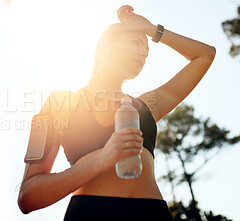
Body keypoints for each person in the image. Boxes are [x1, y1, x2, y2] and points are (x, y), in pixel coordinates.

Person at [17, 5, 216, 221]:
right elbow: (28, 196)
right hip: (90, 213)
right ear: (107, 48)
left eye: (147, 53)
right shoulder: (60, 102)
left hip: (153, 213)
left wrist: (150, 29)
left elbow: (205, 55)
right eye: (136, 44)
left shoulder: (146, 105)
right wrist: (100, 160)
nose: (143, 54)